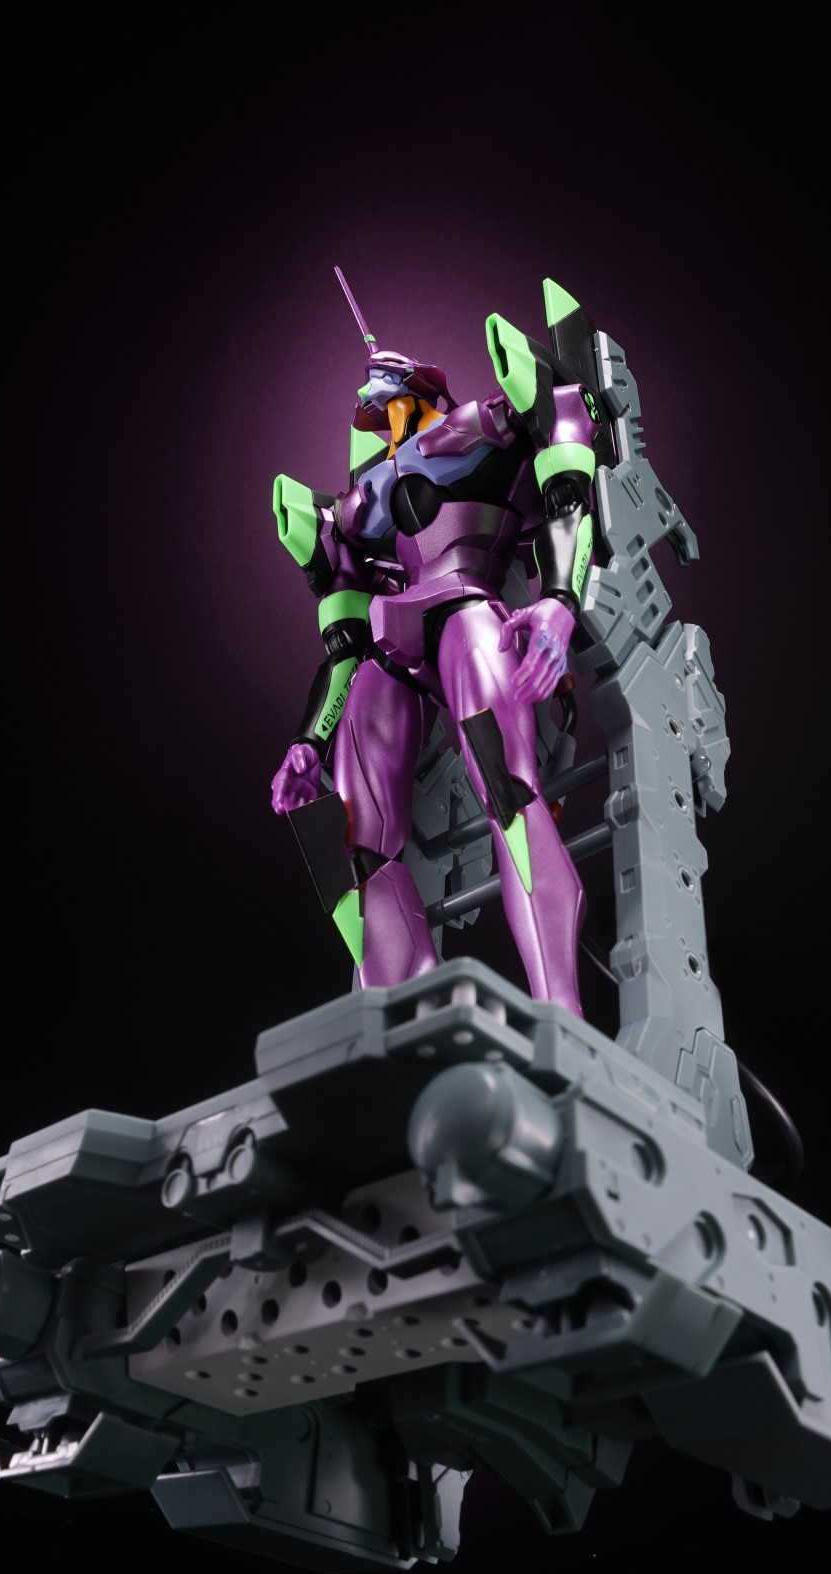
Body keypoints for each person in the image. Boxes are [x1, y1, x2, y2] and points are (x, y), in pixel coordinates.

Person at [270, 271, 606, 1016]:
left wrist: (558, 601)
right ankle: (399, 1014)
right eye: (371, 404)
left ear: (422, 385)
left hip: (469, 608)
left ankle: (561, 1012)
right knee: (356, 843)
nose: (375, 405)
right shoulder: (356, 507)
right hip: (392, 647)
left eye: (389, 393)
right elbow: (345, 641)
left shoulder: (485, 428)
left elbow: (566, 467)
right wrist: (310, 741)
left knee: (507, 787)